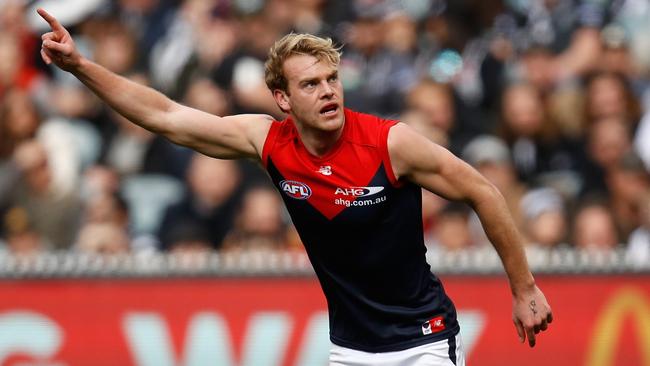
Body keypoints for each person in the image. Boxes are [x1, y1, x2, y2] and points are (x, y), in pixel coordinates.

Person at [38, 8, 552, 365]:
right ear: (282, 99)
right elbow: (166, 115)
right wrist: (81, 66)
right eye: (310, 84)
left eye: (332, 79)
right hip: (350, 349)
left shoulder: (391, 144)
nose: (327, 91)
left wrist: (523, 287)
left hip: (424, 343)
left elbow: (484, 191)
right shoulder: (268, 142)